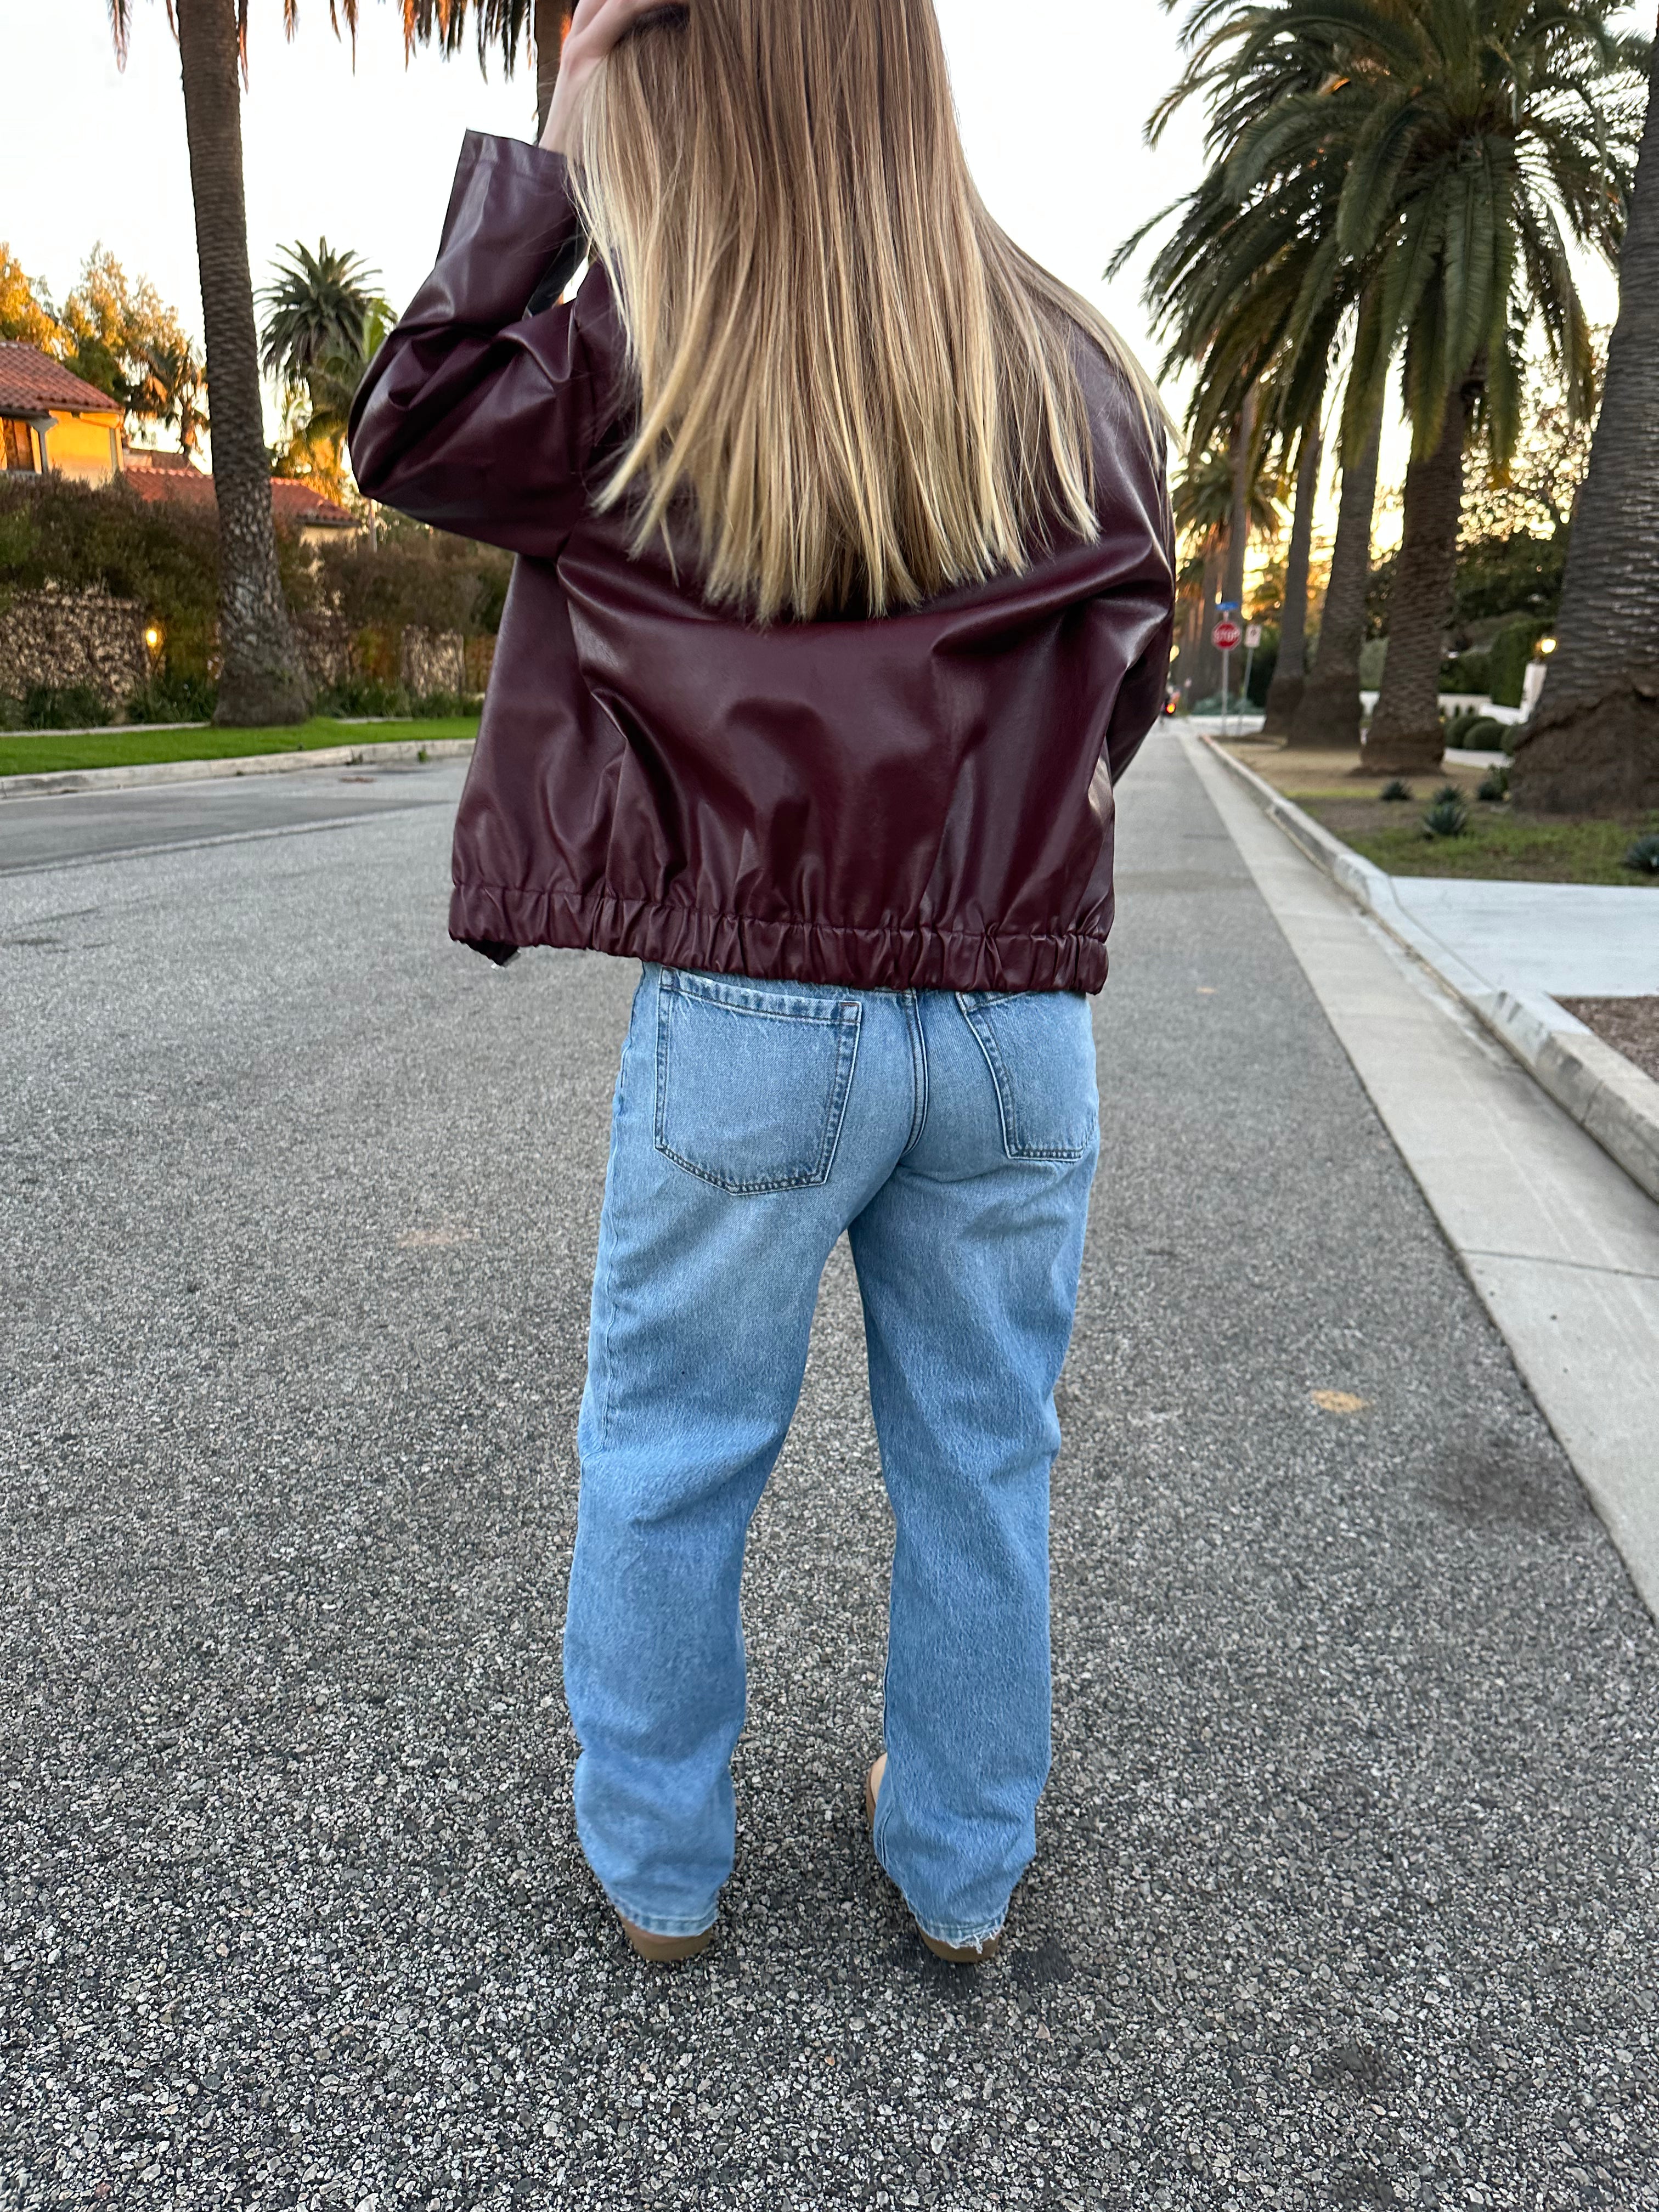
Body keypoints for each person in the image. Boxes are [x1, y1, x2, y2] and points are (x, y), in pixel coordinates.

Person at [351, 0, 1173, 1967]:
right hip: (1014, 1019)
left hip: (751, 1020)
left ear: (673, 85)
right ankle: (960, 1868)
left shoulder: (635, 359)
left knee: (672, 1447)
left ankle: (658, 1865)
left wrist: (549, 128)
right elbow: (1122, 689)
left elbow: (408, 421)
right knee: (984, 1460)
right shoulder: (1074, 364)